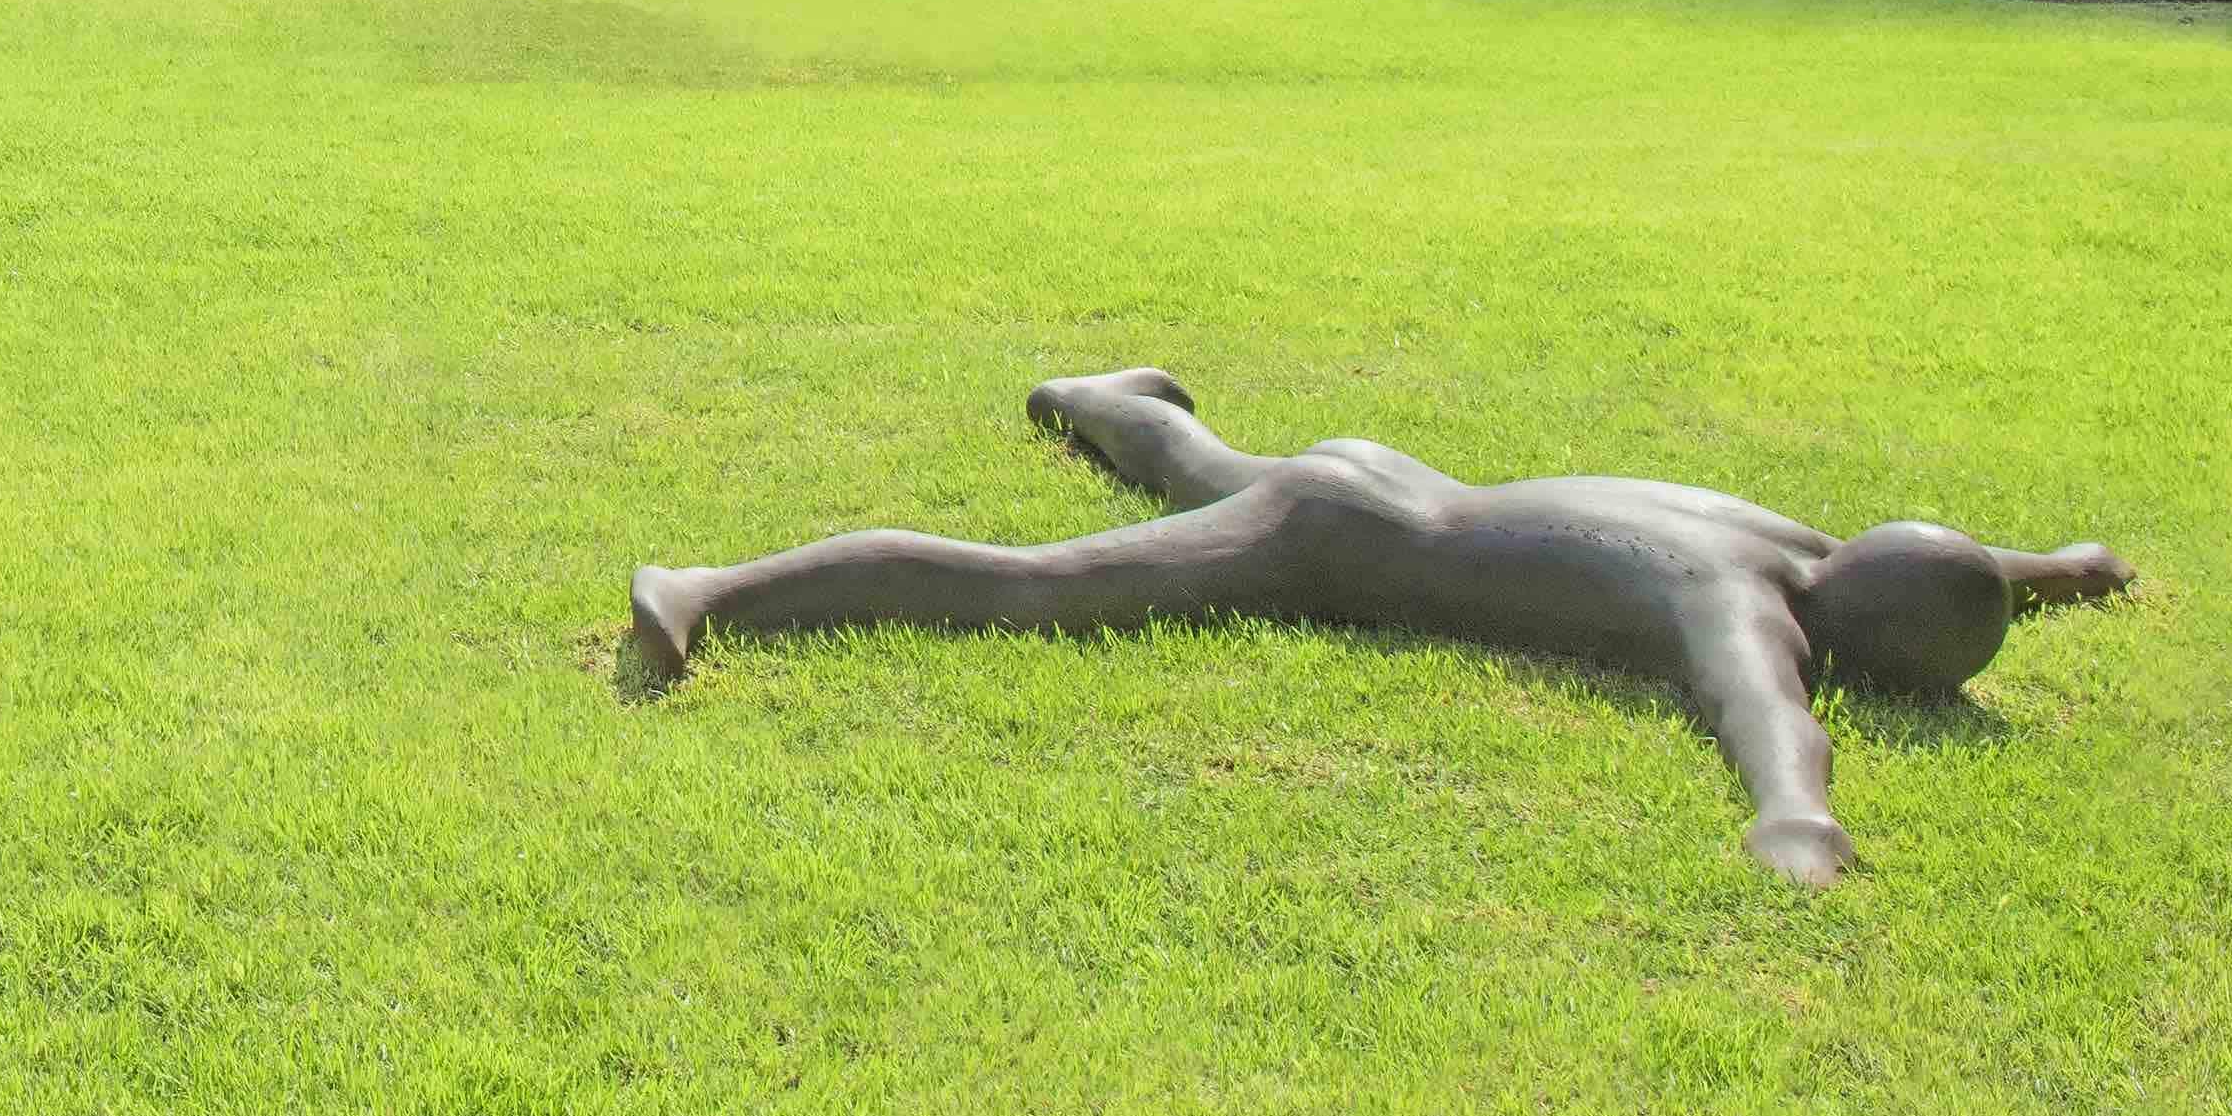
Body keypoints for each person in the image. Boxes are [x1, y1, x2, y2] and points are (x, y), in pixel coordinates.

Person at [616, 366, 2138, 885]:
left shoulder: (1780, 541)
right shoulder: (1741, 598)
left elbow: (1969, 562)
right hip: (1341, 536)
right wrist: (1794, 825)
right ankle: (713, 589)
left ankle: (1101, 396)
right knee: (1038, 586)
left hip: (1391, 485)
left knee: (1202, 469)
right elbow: (1768, 719)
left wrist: (2063, 567)